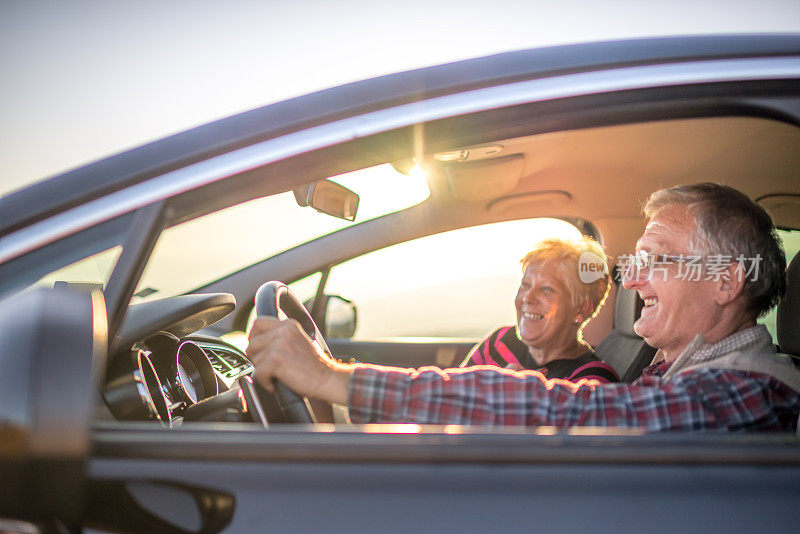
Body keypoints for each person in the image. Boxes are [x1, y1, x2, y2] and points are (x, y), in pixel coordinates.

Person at [247, 183, 800, 431]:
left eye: (655, 259)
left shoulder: (753, 390)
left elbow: (579, 415)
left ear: (726, 282)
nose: (630, 277)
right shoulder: (677, 367)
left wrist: (331, 379)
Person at [464, 237, 618, 383]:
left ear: (581, 310)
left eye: (547, 289)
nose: (527, 298)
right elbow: (452, 397)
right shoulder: (500, 341)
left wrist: (511, 390)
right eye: (525, 284)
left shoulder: (592, 378)